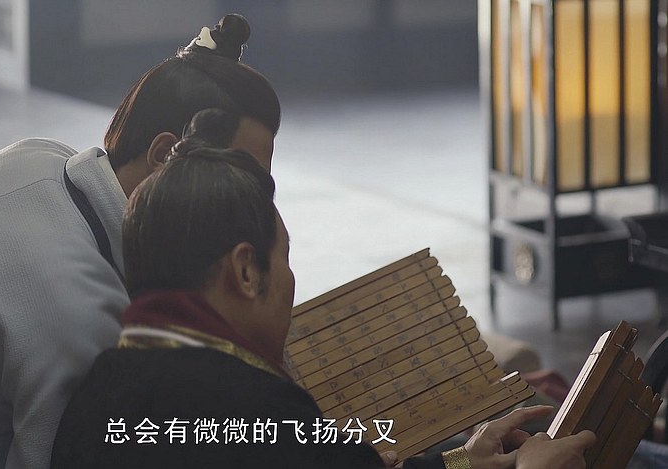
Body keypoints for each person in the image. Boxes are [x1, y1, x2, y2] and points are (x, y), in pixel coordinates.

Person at [0, 14, 279, 469]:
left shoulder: (40, 156)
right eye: (243, 180)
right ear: (164, 155)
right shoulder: (82, 313)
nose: (254, 208)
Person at [50, 110, 596, 469]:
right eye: (284, 258)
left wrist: (462, 463)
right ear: (246, 271)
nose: (291, 281)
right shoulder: (260, 413)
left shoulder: (95, 400)